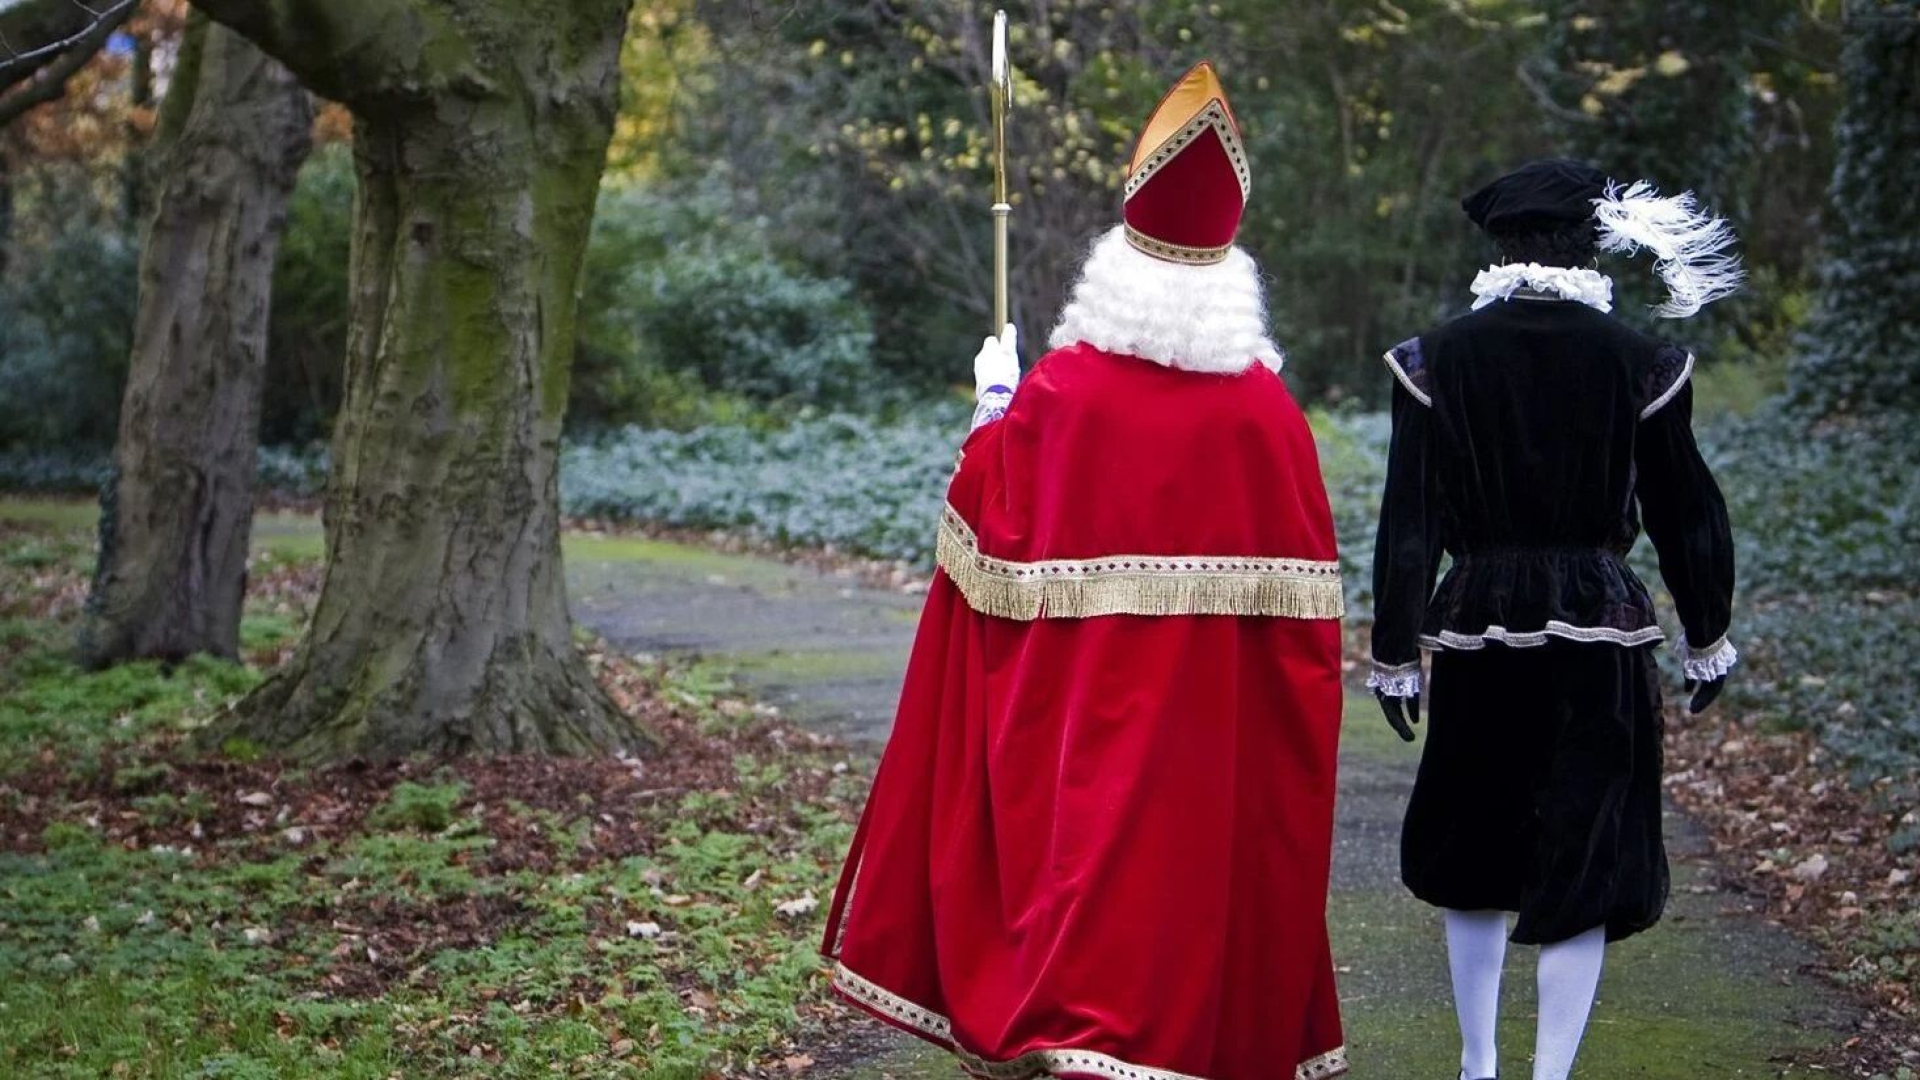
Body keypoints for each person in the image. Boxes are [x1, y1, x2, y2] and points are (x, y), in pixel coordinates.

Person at [822, 62, 1350, 1080]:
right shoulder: (1268, 419)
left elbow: (986, 531)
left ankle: (1078, 1034)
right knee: (1191, 880)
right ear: (1227, 274)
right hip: (1215, 739)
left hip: (1082, 718)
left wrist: (991, 406)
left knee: (1086, 868)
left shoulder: (1059, 398)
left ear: (1121, 263)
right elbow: (1308, 647)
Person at [1368, 158, 1742, 1080]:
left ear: (1499, 243)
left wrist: (1395, 650)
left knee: (1476, 837)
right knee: (1590, 847)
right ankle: (1549, 1075)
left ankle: (1477, 1064)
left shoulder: (1436, 359)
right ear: (1592, 241)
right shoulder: (1638, 361)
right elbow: (1686, 508)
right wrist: (1707, 633)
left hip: (1477, 625)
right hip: (1599, 629)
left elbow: (1408, 517)